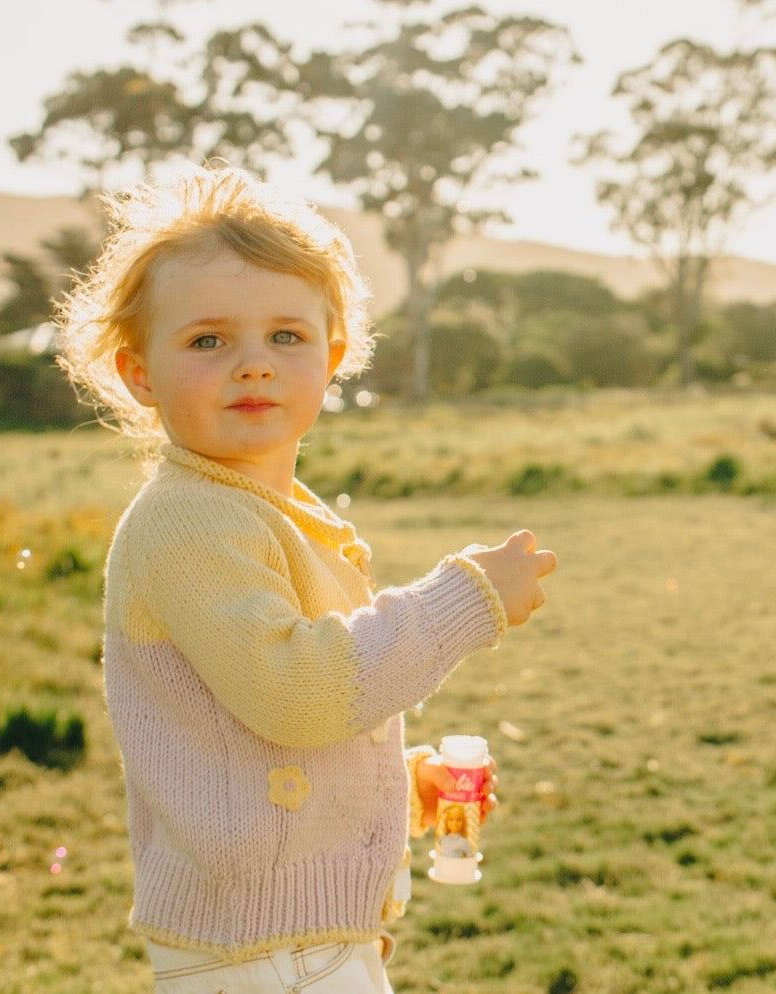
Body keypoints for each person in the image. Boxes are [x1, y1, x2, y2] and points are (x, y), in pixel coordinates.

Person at [56, 162, 556, 994]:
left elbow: (263, 741)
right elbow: (299, 691)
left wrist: (401, 786)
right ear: (139, 373)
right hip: (262, 954)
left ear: (332, 358)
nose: (253, 364)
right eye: (208, 341)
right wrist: (463, 601)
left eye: (285, 337)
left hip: (288, 945)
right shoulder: (188, 520)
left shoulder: (265, 511)